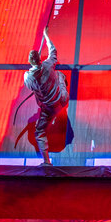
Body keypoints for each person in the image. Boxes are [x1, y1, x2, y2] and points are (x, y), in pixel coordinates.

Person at [23, 26, 70, 166]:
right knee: (59, 74)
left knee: (39, 132)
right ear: (39, 59)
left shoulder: (28, 78)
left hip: (51, 107)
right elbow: (53, 51)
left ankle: (47, 162)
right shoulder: (48, 65)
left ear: (30, 61)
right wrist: (47, 36)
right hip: (63, 98)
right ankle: (62, 83)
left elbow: (30, 84)